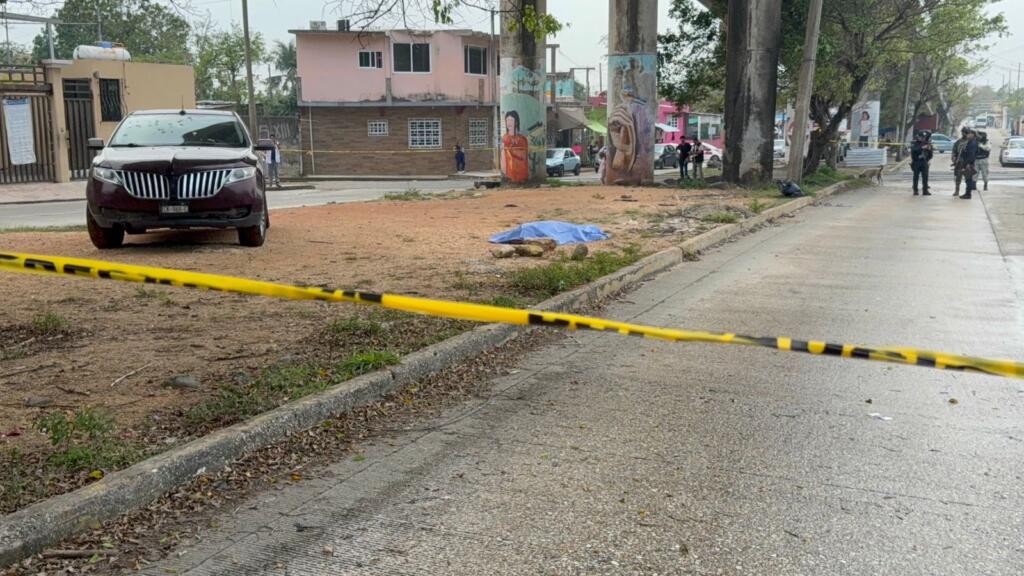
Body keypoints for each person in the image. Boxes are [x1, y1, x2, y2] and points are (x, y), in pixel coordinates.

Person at [501, 111, 529, 183]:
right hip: (509, 173)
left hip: (521, 173)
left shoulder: (522, 139)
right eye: (507, 120)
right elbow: (503, 156)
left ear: (516, 122)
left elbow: (524, 157)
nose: (509, 123)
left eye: (511, 120)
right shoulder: (505, 138)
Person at [909, 131, 933, 196]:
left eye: (923, 137)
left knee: (925, 177)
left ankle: (925, 190)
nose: (922, 138)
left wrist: (929, 149)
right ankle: (915, 190)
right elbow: (914, 151)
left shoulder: (926, 143)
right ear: (918, 137)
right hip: (916, 161)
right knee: (916, 177)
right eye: (921, 137)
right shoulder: (914, 143)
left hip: (924, 162)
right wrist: (922, 148)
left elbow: (930, 155)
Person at [959, 129, 979, 200]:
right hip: (968, 162)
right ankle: (967, 193)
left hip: (969, 163)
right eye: (967, 134)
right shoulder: (970, 142)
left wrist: (967, 163)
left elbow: (971, 155)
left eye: (969, 134)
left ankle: (968, 194)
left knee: (968, 179)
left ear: (973, 135)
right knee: (968, 179)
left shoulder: (973, 143)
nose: (967, 135)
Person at [951, 127, 970, 197]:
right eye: (963, 132)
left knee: (968, 178)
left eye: (965, 132)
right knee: (958, 177)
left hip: (967, 162)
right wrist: (954, 158)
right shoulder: (958, 142)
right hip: (959, 162)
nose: (964, 134)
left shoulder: (970, 142)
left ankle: (967, 192)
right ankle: (957, 190)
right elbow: (954, 151)